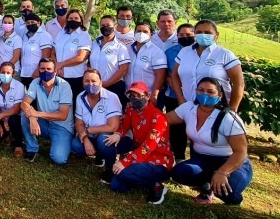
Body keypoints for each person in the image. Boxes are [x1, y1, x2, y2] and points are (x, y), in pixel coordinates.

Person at [167, 77, 253, 205]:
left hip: (230, 162)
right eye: (201, 90)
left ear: (220, 95)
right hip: (202, 160)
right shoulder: (189, 108)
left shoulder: (228, 117)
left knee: (225, 191)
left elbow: (240, 152)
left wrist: (223, 172)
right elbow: (163, 120)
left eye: (210, 91)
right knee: (179, 173)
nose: (204, 94)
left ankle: (235, 199)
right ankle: (207, 186)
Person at [103, 81, 174, 205]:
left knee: (123, 171)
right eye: (131, 96)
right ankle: (137, 176)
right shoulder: (131, 109)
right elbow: (124, 125)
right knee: (116, 185)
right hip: (139, 155)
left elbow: (147, 148)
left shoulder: (158, 118)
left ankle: (157, 185)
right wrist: (118, 134)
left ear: (147, 96)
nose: (134, 99)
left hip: (158, 160)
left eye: (138, 95)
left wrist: (124, 162)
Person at [171, 19, 244, 111]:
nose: (203, 35)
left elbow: (239, 83)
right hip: (188, 107)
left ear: (216, 35)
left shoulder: (225, 54)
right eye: (199, 32)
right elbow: (174, 76)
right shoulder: (184, 52)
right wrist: (181, 99)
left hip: (217, 108)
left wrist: (232, 109)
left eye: (207, 32)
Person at [71, 69, 122, 179]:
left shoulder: (111, 97)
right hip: (90, 135)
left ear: (101, 82)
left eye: (94, 81)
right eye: (87, 81)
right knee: (76, 145)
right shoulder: (80, 97)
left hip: (109, 135)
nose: (90, 84)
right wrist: (85, 140)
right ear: (82, 83)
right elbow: (78, 122)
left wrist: (88, 130)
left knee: (104, 140)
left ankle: (110, 168)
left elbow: (113, 126)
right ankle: (99, 155)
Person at [21, 58, 73, 164]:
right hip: (44, 122)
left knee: (59, 159)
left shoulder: (64, 86)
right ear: (38, 70)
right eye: (42, 68)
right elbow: (24, 103)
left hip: (61, 126)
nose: (46, 71)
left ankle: (63, 142)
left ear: (55, 71)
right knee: (24, 115)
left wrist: (36, 114)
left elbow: (63, 115)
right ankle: (32, 149)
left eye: (49, 69)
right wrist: (32, 117)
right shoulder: (36, 82)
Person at [163, 23, 195, 161]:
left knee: (195, 128)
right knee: (177, 129)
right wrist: (174, 85)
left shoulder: (199, 52)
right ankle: (179, 157)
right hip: (174, 96)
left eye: (188, 35)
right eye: (182, 35)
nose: (185, 37)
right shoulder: (170, 52)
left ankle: (196, 159)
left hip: (195, 97)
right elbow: (166, 73)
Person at [89, 15, 131, 107]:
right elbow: (89, 63)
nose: (105, 27)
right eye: (102, 25)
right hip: (94, 87)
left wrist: (107, 83)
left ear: (115, 26)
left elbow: (123, 69)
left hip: (114, 87)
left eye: (108, 25)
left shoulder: (120, 46)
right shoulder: (94, 44)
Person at [124, 22, 167, 105]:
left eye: (145, 32)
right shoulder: (126, 49)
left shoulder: (156, 52)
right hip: (128, 95)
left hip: (146, 96)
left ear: (151, 35)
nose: (141, 34)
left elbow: (160, 76)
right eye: (139, 31)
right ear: (134, 33)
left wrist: (154, 95)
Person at [51, 9, 91, 95]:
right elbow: (53, 52)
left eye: (76, 18)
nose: (73, 20)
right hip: (59, 75)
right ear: (67, 19)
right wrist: (56, 66)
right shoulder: (61, 34)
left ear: (81, 20)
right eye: (70, 18)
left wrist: (61, 64)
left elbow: (81, 58)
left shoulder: (84, 35)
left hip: (76, 77)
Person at [0, 62, 25, 158]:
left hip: (16, 116)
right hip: (1, 116)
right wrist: (1, 121)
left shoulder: (19, 86)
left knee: (13, 120)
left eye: (8, 73)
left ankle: (18, 145)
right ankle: (6, 136)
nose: (5, 75)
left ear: (13, 74)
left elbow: (17, 109)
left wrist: (0, 116)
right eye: (3, 72)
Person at [19, 13, 53, 88]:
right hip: (25, 73)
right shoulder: (25, 36)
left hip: (37, 73)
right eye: (28, 23)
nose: (30, 24)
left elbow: (46, 55)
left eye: (32, 22)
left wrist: (38, 70)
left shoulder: (44, 35)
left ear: (39, 23)